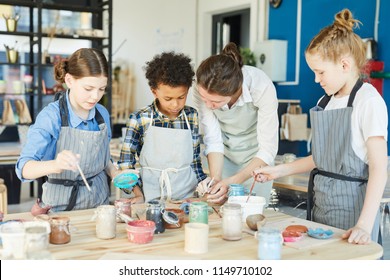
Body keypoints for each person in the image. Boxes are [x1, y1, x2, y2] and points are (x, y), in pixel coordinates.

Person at [253, 9, 387, 245]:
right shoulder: (325, 102)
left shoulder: (368, 101)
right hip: (320, 208)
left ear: (344, 65)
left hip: (353, 214)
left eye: (320, 72)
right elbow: (321, 159)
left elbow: (379, 167)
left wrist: (363, 225)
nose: (317, 79)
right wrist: (277, 171)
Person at [15, 48, 136, 213]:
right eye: (88, 89)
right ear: (69, 80)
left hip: (99, 205)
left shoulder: (102, 114)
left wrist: (115, 173)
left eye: (101, 89)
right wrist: (55, 165)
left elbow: (103, 157)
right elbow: (24, 169)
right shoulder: (51, 116)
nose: (95, 96)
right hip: (60, 210)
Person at [193, 42, 279, 205]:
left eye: (215, 102)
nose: (209, 106)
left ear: (235, 91)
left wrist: (234, 180)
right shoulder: (199, 88)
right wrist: (216, 178)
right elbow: (213, 139)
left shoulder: (260, 86)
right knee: (222, 211)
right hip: (223, 158)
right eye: (205, 100)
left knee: (251, 214)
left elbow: (268, 148)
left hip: (257, 160)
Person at [117, 52, 209, 203]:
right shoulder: (140, 118)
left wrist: (204, 187)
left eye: (181, 97)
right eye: (168, 98)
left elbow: (194, 162)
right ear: (154, 91)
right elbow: (126, 164)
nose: (175, 104)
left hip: (186, 197)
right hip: (150, 196)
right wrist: (138, 194)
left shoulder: (191, 116)